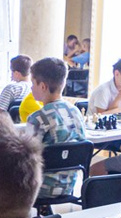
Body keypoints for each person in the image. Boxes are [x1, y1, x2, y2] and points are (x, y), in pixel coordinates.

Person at [24, 56, 87, 199]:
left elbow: (27, 158)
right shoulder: (75, 112)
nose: (31, 87)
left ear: (43, 86)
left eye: (33, 83)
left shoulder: (37, 118)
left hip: (40, 188)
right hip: (69, 185)